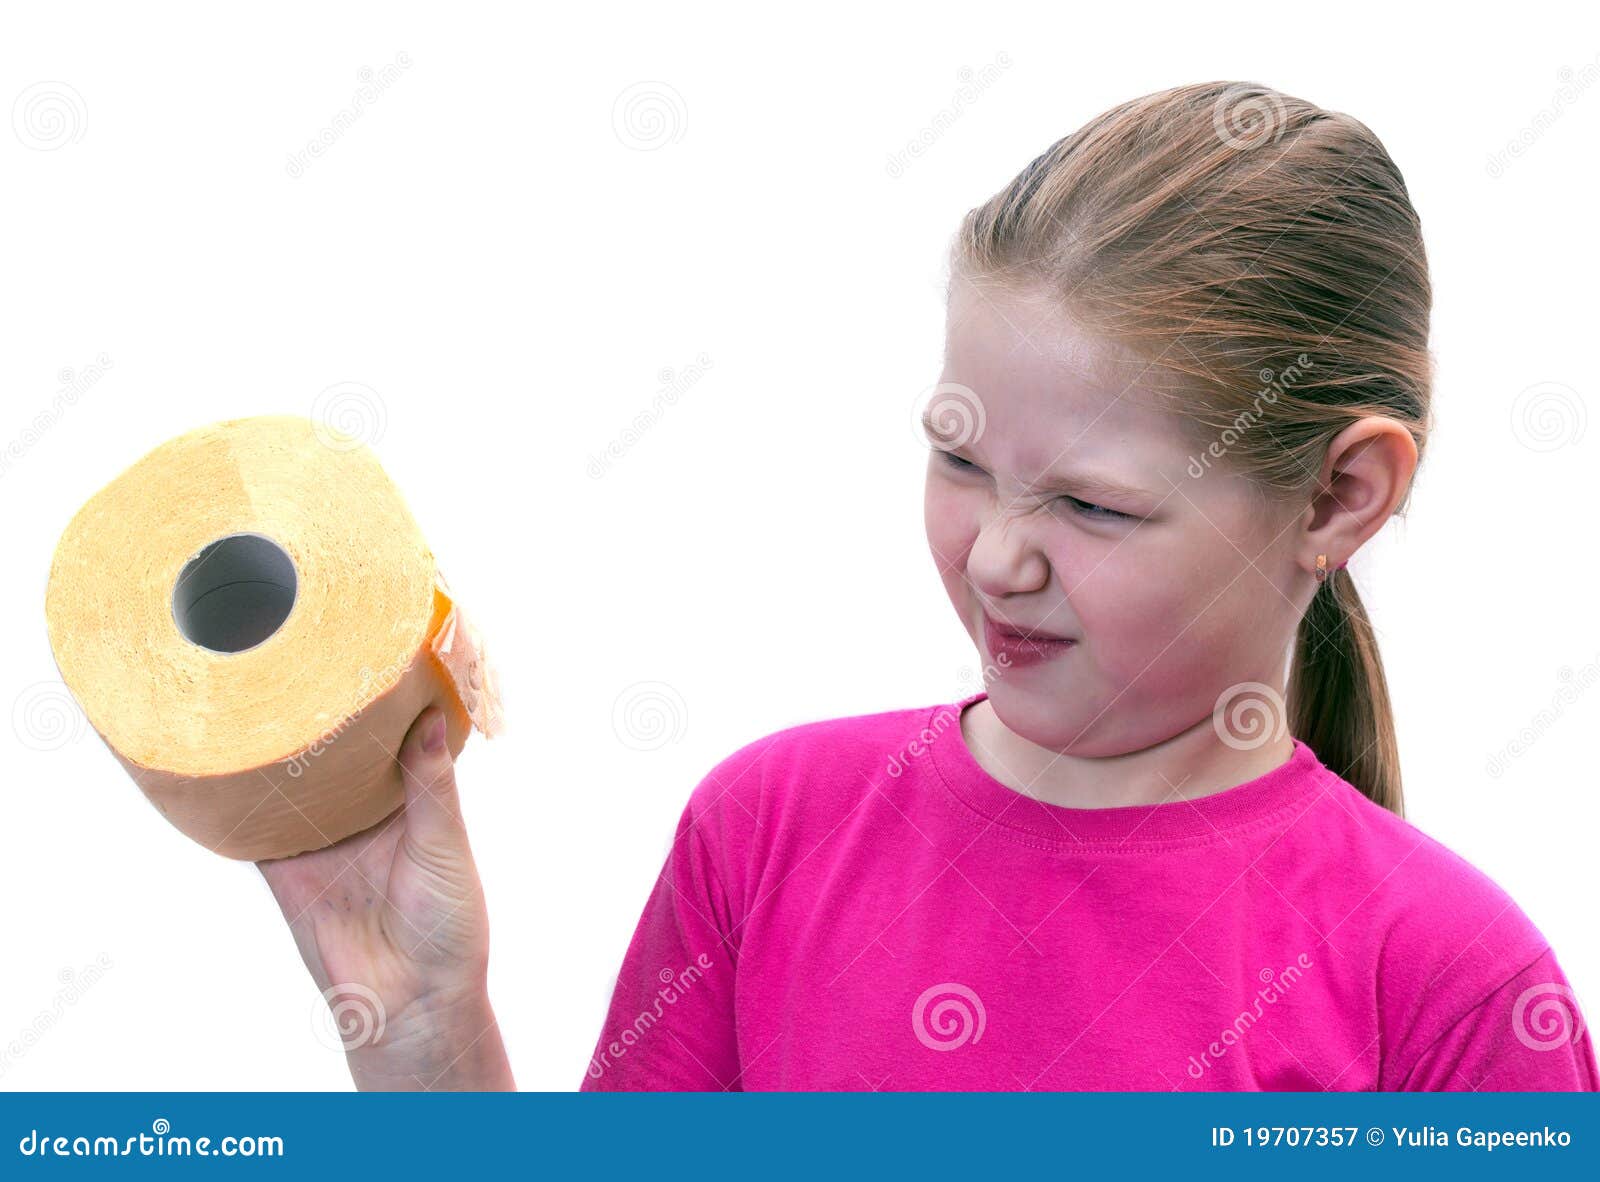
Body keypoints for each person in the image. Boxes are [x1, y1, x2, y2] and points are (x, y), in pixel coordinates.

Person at [259, 80, 1596, 1091]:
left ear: (1336, 497)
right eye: (959, 457)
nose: (998, 556)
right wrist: (428, 1020)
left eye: (1092, 503)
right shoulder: (770, 835)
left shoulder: (1453, 988)